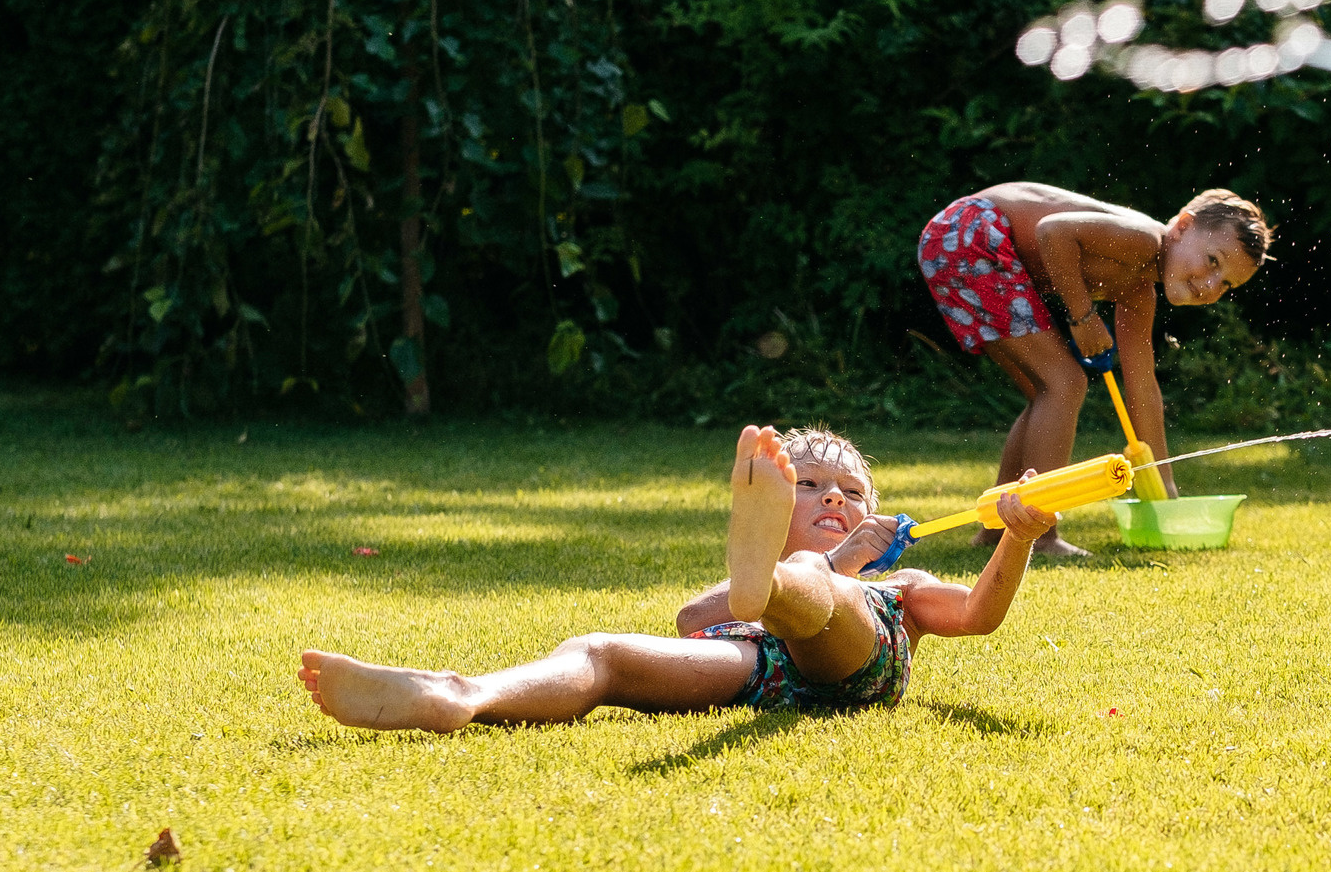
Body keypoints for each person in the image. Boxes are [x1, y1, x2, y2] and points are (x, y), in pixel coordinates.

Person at [298, 425, 1056, 731]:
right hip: (762, 667)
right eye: (811, 486)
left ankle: (785, 586)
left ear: (874, 514)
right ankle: (460, 694)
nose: (834, 497)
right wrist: (799, 571)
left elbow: (980, 612)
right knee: (599, 652)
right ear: (767, 509)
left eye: (851, 492)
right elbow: (696, 618)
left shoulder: (898, 585)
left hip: (855, 653)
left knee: (818, 589)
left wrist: (1015, 538)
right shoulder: (757, 586)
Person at [918, 182, 1271, 558]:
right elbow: (1052, 231)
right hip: (970, 232)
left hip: (957, 237)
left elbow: (1142, 386)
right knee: (1064, 384)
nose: (1211, 285)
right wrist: (1082, 317)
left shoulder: (1138, 289)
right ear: (1183, 226)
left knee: (1048, 391)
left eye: (1227, 283)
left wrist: (1164, 483)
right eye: (1213, 261)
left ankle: (997, 529)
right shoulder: (1145, 241)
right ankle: (1039, 533)